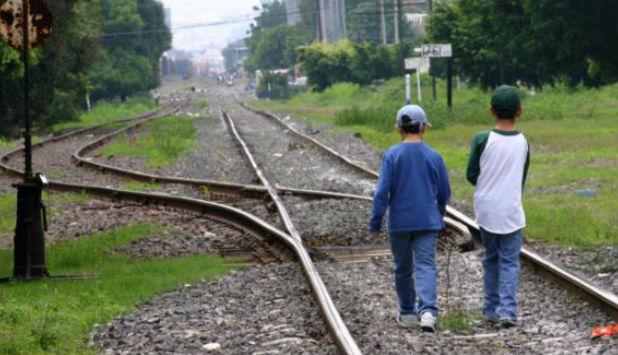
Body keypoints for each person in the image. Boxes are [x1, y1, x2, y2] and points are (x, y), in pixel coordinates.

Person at [369, 105, 451, 332]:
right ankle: (427, 313)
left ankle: (407, 312)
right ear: (423, 127)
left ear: (398, 129)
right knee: (426, 266)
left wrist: (376, 221)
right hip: (427, 221)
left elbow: (381, 193)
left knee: (403, 268)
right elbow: (444, 193)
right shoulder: (434, 156)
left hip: (399, 223)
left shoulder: (392, 156)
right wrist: (439, 214)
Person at [466, 85, 530, 328]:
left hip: (486, 210)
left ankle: (490, 309)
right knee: (510, 262)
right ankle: (508, 312)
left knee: (491, 258)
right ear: (519, 111)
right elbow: (521, 178)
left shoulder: (482, 139)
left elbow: (472, 174)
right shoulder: (524, 141)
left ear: (491, 111)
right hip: (511, 210)